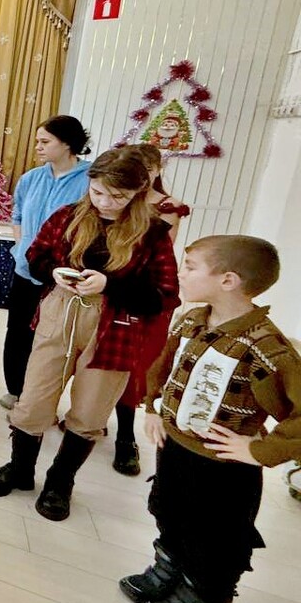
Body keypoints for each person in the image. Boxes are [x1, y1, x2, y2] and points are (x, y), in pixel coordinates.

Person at [0, 150, 180, 521]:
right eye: (98, 192)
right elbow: (36, 255)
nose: (105, 202)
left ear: (138, 192)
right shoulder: (67, 216)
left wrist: (110, 285)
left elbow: (165, 295)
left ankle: (60, 481)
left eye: (118, 196)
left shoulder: (153, 233)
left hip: (115, 329)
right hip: (60, 313)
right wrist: (53, 271)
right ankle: (20, 470)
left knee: (89, 411)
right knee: (34, 399)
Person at [122, 235, 300, 603]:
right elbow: (164, 366)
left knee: (217, 534)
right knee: (170, 508)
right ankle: (171, 570)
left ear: (228, 280)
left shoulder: (267, 348)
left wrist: (260, 450)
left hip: (224, 465)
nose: (180, 273)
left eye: (190, 267)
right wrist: (153, 408)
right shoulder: (191, 320)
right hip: (175, 446)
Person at [0, 115, 93, 410]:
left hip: (63, 276)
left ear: (67, 144)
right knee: (18, 332)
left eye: (45, 141)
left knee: (53, 339)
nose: (38, 147)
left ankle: (42, 399)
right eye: (37, 141)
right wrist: (21, 248)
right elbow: (17, 215)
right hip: (25, 270)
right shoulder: (31, 179)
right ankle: (16, 390)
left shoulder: (90, 180)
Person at [110, 142, 192, 476]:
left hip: (147, 292)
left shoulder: (167, 206)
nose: (141, 175)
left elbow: (159, 252)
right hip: (111, 287)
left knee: (136, 364)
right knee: (103, 358)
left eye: (148, 169)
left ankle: (126, 437)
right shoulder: (114, 198)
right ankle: (90, 416)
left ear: (158, 169)